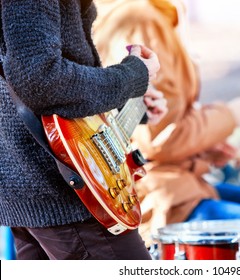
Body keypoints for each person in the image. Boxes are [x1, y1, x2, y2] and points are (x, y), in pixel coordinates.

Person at [93, 0, 240, 248]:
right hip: (161, 198)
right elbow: (157, 140)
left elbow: (152, 129)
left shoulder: (147, 13)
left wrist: (204, 146)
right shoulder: (139, 18)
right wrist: (230, 116)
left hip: (181, 184)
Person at [0, 0, 167, 260]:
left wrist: (128, 100)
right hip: (66, 187)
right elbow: (41, 80)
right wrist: (132, 76)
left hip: (44, 183)